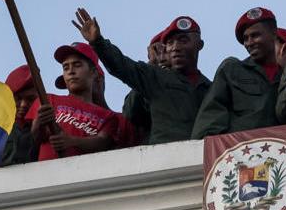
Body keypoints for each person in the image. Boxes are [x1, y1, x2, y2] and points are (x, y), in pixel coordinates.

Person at [76, 10, 210, 145]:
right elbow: (122, 65)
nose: (175, 47)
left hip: (204, 159)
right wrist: (98, 42)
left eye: (183, 40)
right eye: (170, 43)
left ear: (200, 45)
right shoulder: (156, 77)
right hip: (165, 159)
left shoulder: (211, 88)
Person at [27, 43, 135, 159]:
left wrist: (72, 141)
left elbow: (104, 142)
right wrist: (38, 122)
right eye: (65, 67)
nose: (71, 71)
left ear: (93, 72)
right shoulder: (47, 100)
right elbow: (35, 138)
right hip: (46, 173)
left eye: (77, 65)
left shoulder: (108, 117)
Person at [193, 7, 286, 136]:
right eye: (245, 38)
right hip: (242, 151)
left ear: (274, 34)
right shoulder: (232, 69)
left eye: (255, 35)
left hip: (283, 149)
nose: (249, 43)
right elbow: (212, 114)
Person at [120, 32, 171, 144]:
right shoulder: (145, 83)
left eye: (168, 49)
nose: (163, 55)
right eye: (157, 50)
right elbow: (129, 114)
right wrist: (151, 66)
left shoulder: (191, 82)